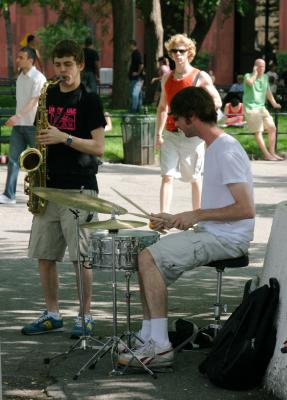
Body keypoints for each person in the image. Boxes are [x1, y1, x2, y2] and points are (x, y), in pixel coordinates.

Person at [117, 86, 255, 368]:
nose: (176, 125)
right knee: (143, 256)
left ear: (192, 117)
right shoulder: (212, 147)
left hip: (228, 239)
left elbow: (246, 209)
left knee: (148, 258)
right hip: (213, 232)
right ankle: (147, 336)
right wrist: (176, 218)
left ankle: (161, 347)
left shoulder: (226, 149)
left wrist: (197, 214)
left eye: (178, 119)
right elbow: (219, 207)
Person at [21, 39, 106, 338]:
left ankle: (85, 315)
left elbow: (98, 147)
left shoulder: (90, 99)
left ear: (80, 64)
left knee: (79, 258)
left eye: (68, 65)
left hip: (79, 188)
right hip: (47, 186)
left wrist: (64, 138)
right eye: (57, 65)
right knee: (45, 256)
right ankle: (52, 313)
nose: (62, 71)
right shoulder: (48, 94)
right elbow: (42, 135)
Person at [156, 33, 222, 213]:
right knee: (167, 176)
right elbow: (162, 107)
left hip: (192, 136)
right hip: (170, 133)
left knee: (194, 177)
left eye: (182, 51)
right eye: (175, 50)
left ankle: (198, 217)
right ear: (171, 53)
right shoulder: (166, 78)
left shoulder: (199, 77)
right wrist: (158, 133)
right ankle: (163, 217)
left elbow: (217, 101)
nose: (178, 54)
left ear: (189, 53)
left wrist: (198, 112)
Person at [0, 46, 46, 205]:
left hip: (34, 126)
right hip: (19, 126)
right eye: (18, 56)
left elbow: (34, 101)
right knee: (13, 160)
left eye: (21, 57)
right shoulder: (21, 77)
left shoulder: (39, 78)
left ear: (30, 60)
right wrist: (17, 118)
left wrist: (18, 116)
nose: (17, 59)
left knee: (37, 162)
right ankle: (9, 195)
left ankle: (40, 195)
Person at [243, 58, 283, 161]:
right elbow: (250, 83)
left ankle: (272, 153)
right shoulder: (247, 76)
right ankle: (266, 155)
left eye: (263, 66)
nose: (262, 68)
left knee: (272, 128)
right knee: (258, 131)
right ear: (255, 66)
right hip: (251, 108)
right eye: (259, 66)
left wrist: (274, 103)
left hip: (261, 107)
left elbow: (267, 91)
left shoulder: (265, 77)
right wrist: (255, 74)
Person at [128, 39, 145, 113]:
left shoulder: (136, 53)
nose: (128, 47)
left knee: (134, 94)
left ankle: (134, 110)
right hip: (135, 78)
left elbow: (141, 64)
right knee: (138, 94)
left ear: (132, 45)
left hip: (137, 78)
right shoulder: (134, 53)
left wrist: (137, 73)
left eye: (129, 45)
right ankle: (138, 109)